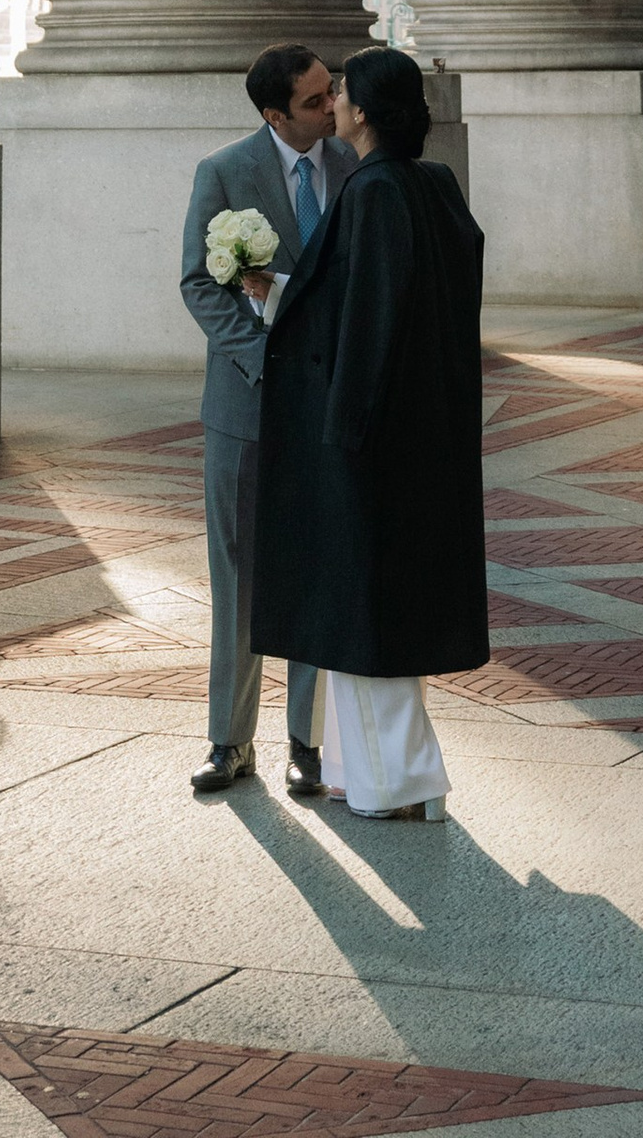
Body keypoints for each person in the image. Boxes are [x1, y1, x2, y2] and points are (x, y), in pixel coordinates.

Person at [250, 45, 486, 822]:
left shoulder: (376, 190)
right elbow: (381, 303)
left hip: (369, 441)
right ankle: (367, 775)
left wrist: (345, 432)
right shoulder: (432, 184)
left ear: (366, 111)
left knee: (367, 617)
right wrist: (283, 292)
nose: (335, 104)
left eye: (342, 93)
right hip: (418, 432)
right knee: (366, 617)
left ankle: (405, 785)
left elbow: (371, 321)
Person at [178, 41, 357, 800]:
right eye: (315, 101)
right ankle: (229, 741)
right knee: (238, 575)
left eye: (331, 91)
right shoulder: (223, 172)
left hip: (330, 405)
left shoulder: (353, 166)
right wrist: (264, 357)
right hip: (246, 404)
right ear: (274, 114)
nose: (332, 106)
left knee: (316, 569)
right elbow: (200, 282)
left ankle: (307, 745)